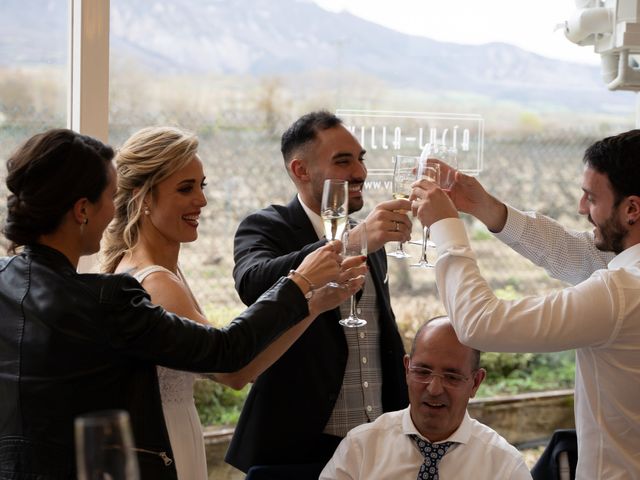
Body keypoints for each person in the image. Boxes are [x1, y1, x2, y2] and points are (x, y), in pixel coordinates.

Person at [0, 128, 361, 479]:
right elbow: (227, 355)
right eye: (109, 198)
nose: (114, 210)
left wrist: (310, 305)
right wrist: (298, 284)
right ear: (82, 210)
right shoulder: (114, 295)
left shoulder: (8, 281)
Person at [410, 129, 640, 478]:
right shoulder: (625, 275)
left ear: (632, 209)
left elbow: (481, 324)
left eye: (591, 198)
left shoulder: (621, 293)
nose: (580, 208)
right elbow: (574, 252)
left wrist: (445, 227)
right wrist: (485, 208)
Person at [225, 110, 412, 475]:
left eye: (360, 159)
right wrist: (351, 241)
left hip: (377, 443)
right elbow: (252, 285)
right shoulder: (266, 227)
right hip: (299, 447)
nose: (359, 173)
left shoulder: (370, 237)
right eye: (343, 161)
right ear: (301, 170)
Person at [320, 316, 532, 479]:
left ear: (476, 382)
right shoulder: (361, 448)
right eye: (422, 372)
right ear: (406, 369)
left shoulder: (504, 467)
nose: (434, 388)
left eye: (451, 376)